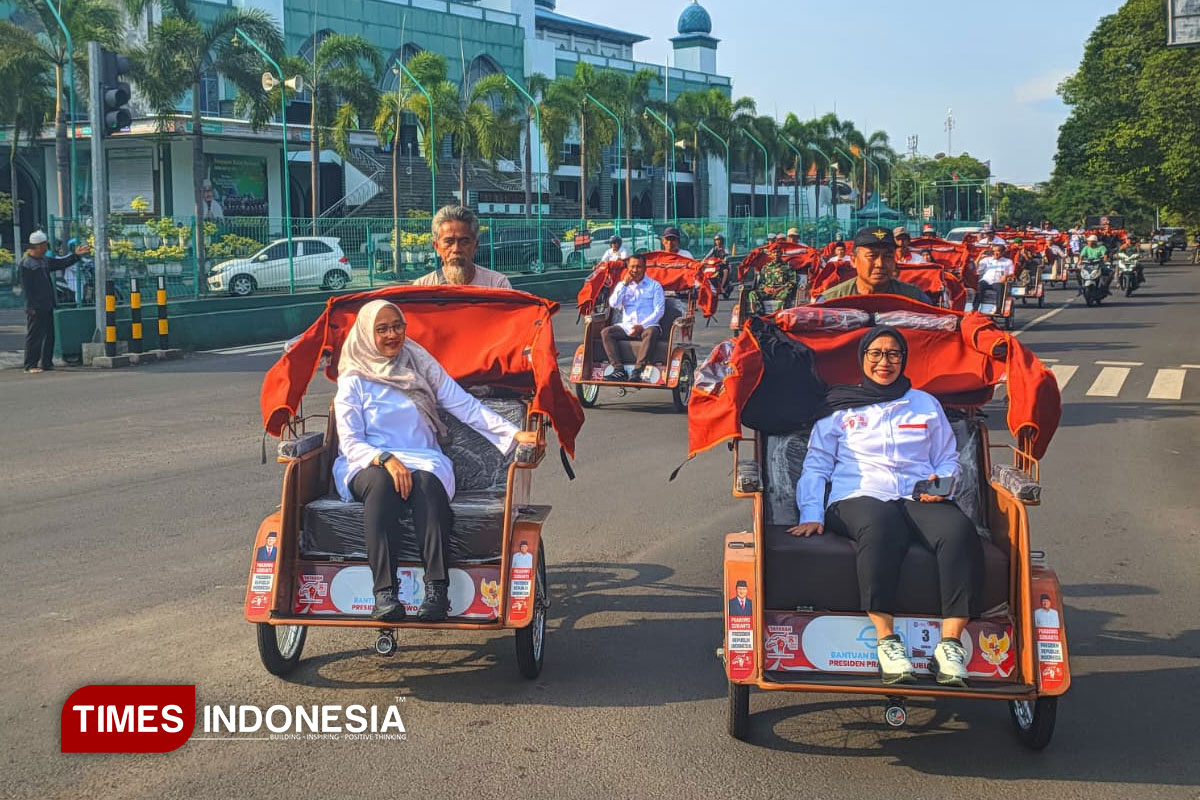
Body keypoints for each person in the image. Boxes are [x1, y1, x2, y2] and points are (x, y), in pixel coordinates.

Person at [789, 326, 983, 686]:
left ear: (904, 359)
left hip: (917, 496)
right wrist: (812, 514)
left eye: (893, 354)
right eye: (875, 354)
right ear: (863, 359)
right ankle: (886, 641)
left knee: (958, 531)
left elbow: (947, 459)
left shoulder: (924, 403)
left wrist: (940, 486)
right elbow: (816, 465)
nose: (884, 362)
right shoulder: (840, 407)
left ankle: (951, 644)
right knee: (881, 527)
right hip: (856, 497)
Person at [333, 299, 536, 622]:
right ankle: (385, 593)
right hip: (367, 462)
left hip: (423, 458)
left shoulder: (418, 362)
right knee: (382, 485)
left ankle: (437, 589)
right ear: (366, 333)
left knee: (427, 484)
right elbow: (350, 441)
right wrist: (385, 458)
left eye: (397, 327)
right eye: (382, 329)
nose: (392, 335)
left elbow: (464, 405)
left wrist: (512, 434)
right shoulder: (353, 379)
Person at [20, 231, 89, 374]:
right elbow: (27, 289)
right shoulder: (26, 264)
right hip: (36, 306)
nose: (47, 247)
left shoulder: (45, 260)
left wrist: (76, 255)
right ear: (38, 246)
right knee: (35, 335)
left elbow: (60, 263)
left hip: (47, 303)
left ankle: (46, 362)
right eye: (45, 245)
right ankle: (30, 364)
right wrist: (30, 306)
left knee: (49, 335)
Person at [818, 226, 930, 303]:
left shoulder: (913, 298)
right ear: (853, 260)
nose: (880, 264)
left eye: (887, 257)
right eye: (872, 256)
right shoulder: (832, 300)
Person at [414, 204, 513, 288]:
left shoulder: (497, 285)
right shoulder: (422, 288)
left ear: (475, 245)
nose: (456, 249)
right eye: (449, 241)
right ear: (436, 246)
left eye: (464, 242)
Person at [601, 253, 664, 383]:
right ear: (628, 268)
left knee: (651, 332)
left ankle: (638, 370)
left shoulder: (654, 286)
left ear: (645, 268)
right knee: (606, 332)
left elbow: (659, 311)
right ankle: (618, 370)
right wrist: (624, 284)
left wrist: (641, 326)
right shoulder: (622, 285)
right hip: (627, 327)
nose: (635, 270)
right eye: (632, 267)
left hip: (648, 326)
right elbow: (613, 304)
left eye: (639, 267)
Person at [973, 242, 1014, 311]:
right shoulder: (987, 260)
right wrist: (979, 257)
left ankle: (998, 308)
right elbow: (975, 268)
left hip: (998, 281)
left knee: (1001, 287)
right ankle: (975, 308)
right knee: (978, 286)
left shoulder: (1008, 261)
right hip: (986, 281)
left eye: (998, 251)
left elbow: (1011, 273)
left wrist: (1006, 276)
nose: (995, 253)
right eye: (994, 251)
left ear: (1003, 252)